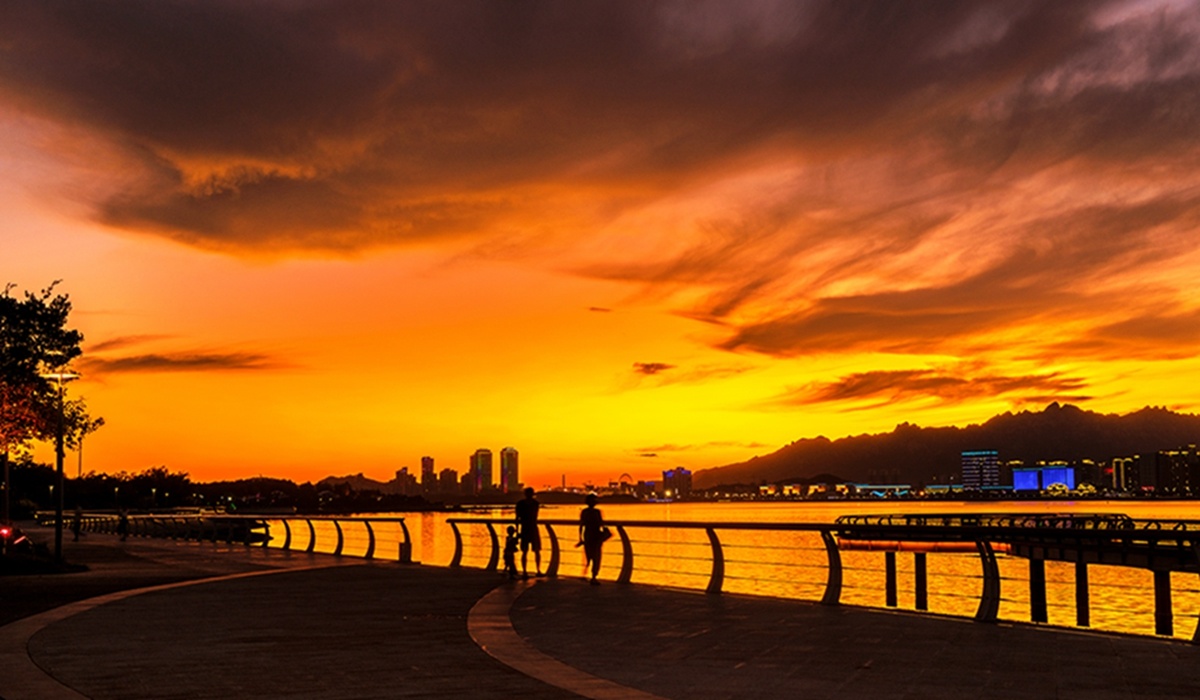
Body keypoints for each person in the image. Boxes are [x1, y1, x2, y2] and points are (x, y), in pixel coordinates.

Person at [514, 487, 542, 577]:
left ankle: (534, 570)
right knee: (528, 551)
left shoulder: (524, 504)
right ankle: (528, 571)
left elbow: (517, 518)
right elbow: (517, 518)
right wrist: (517, 530)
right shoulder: (534, 504)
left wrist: (517, 530)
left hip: (529, 528)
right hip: (529, 528)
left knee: (533, 551)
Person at [579, 493, 605, 585]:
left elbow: (581, 525)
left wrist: (580, 538)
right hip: (596, 535)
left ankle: (586, 571)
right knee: (596, 556)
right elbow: (601, 523)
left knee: (588, 555)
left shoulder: (584, 512)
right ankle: (593, 576)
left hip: (588, 535)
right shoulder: (597, 512)